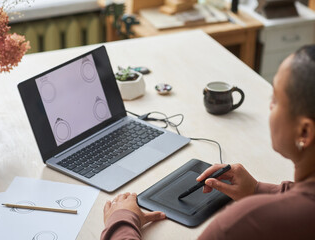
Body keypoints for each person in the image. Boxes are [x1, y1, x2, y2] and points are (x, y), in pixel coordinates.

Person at [100, 45, 315, 239]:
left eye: (275, 100)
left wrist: (121, 221)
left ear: (304, 132)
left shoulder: (243, 224)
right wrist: (258, 189)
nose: (269, 107)